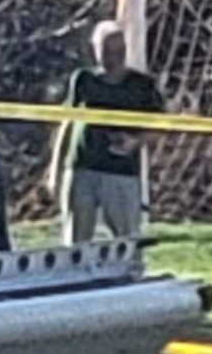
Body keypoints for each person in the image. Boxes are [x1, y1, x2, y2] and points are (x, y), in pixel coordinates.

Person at [62, 20, 164, 245]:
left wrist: (134, 142)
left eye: (118, 51)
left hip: (120, 172)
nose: (112, 58)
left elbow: (161, 126)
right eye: (106, 51)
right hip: (82, 168)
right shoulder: (83, 79)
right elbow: (67, 121)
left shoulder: (142, 85)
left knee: (126, 238)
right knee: (76, 239)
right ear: (95, 50)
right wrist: (56, 168)